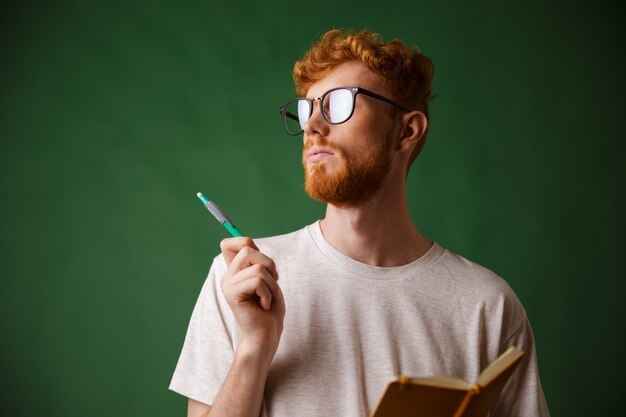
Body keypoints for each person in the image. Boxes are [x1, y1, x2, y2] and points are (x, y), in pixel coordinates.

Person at [170, 29, 550, 417]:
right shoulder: (242, 281)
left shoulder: (487, 305)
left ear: (407, 130)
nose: (312, 126)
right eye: (306, 109)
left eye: (337, 105)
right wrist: (254, 347)